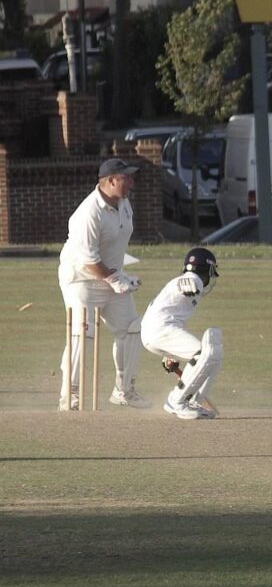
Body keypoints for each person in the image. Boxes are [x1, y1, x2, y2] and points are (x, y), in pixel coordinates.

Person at [58, 158, 150, 411]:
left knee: (132, 328)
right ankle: (71, 395)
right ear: (111, 181)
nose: (131, 181)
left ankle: (124, 390)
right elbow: (89, 260)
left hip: (111, 276)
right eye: (126, 177)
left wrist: (120, 276)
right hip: (81, 279)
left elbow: (114, 246)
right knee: (83, 333)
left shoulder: (124, 203)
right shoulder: (88, 213)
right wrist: (114, 278)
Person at [141, 247, 223, 420]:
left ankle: (193, 401)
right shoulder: (192, 280)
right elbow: (185, 281)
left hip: (159, 331)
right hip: (160, 329)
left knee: (213, 355)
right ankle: (176, 401)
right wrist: (189, 281)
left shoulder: (186, 291)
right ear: (206, 270)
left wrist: (172, 355)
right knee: (205, 353)